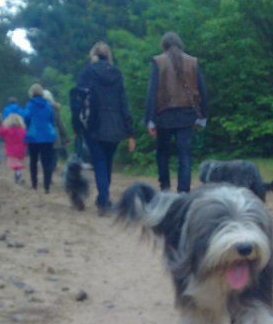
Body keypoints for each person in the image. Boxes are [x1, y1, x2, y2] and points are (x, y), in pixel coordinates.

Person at [144, 32, 208, 193]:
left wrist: (150, 119)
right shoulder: (193, 62)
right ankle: (183, 193)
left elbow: (152, 92)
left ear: (163, 45)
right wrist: (203, 116)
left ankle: (165, 189)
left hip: (164, 115)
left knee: (162, 154)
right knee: (184, 155)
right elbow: (203, 90)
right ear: (180, 44)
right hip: (187, 115)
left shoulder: (158, 62)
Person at [76, 41, 136, 214]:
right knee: (107, 163)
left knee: (100, 162)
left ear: (93, 54)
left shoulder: (87, 72)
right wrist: (130, 132)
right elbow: (123, 103)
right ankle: (104, 198)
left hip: (94, 123)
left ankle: (103, 200)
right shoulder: (117, 74)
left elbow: (78, 98)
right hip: (116, 124)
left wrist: (77, 124)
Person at [22, 83, 57, 193]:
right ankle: (46, 186)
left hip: (33, 136)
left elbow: (26, 118)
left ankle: (34, 184)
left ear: (31, 93)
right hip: (47, 136)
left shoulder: (29, 105)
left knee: (33, 161)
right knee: (46, 162)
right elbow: (52, 119)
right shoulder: (48, 105)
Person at [43, 89, 71, 165]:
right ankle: (53, 164)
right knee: (53, 151)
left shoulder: (38, 108)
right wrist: (66, 137)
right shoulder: (54, 108)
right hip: (54, 133)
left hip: (42, 132)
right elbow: (60, 124)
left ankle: (47, 164)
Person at [0, 113, 27, 184]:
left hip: (11, 151)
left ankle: (18, 176)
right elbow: (26, 139)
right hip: (21, 150)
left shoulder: (7, 130)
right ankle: (18, 175)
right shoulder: (23, 130)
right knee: (19, 165)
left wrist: (2, 125)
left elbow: (0, 132)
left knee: (15, 165)